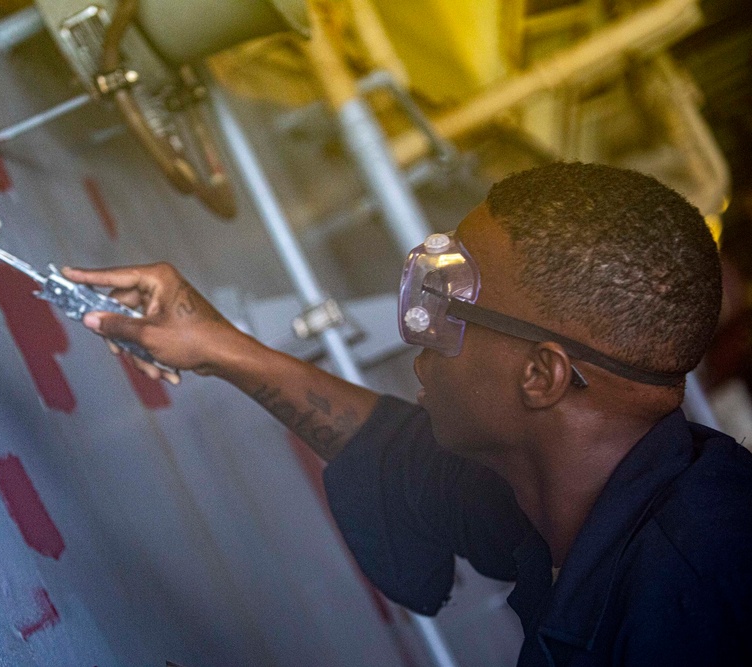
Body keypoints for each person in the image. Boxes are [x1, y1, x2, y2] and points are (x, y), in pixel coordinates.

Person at [62, 162, 752, 665]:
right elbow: (414, 460)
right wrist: (221, 346)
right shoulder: (598, 479)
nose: (418, 334)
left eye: (450, 310)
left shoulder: (685, 620)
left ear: (540, 374)